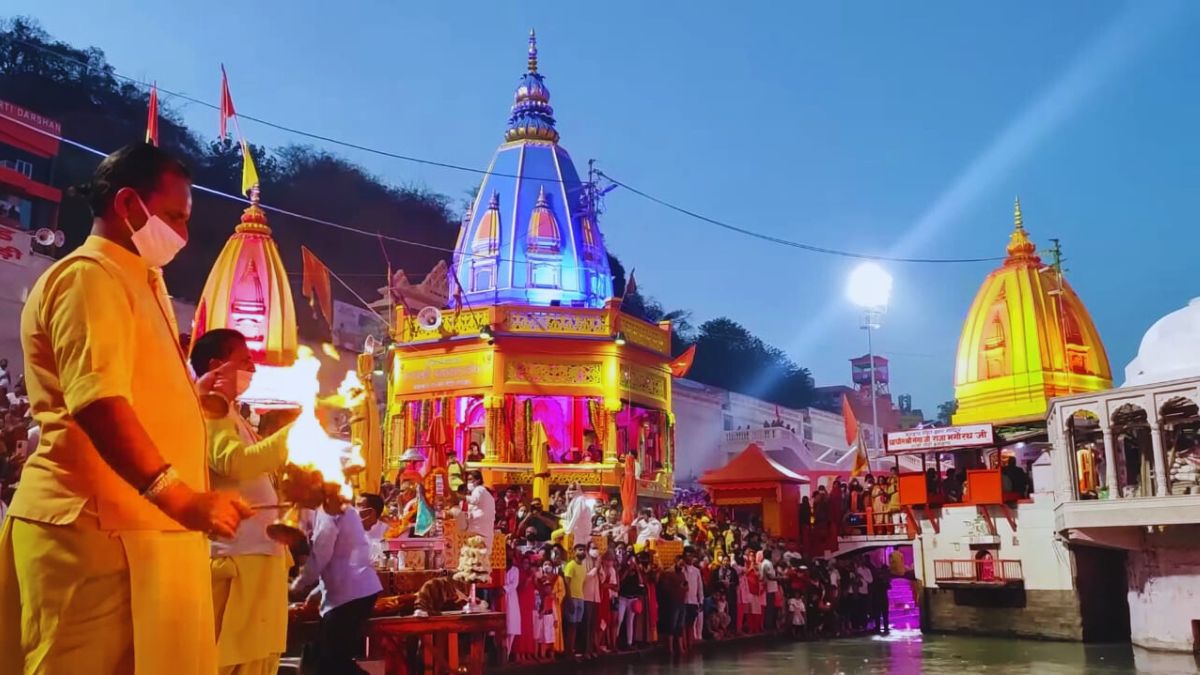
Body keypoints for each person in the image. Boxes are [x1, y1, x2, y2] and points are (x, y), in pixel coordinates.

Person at [0, 143, 251, 675]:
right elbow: (99, 402)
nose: (182, 235)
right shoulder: (90, 275)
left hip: (142, 535)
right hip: (92, 533)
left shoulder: (141, 281)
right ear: (129, 205)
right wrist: (180, 498)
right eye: (174, 217)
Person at [192, 329, 294, 675]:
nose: (253, 368)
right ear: (216, 367)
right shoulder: (209, 410)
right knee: (232, 659)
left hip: (258, 556)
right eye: (245, 360)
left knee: (258, 657)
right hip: (237, 556)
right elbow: (234, 463)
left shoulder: (232, 415)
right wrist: (296, 435)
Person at [291, 490, 383, 675]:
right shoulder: (337, 508)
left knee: (332, 661)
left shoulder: (328, 510)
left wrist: (298, 585)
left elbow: (322, 553)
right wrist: (315, 593)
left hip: (350, 595)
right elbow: (340, 558)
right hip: (352, 592)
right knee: (328, 659)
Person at [656, 555, 688, 655]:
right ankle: (670, 648)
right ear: (676, 561)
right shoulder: (668, 573)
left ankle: (680, 647)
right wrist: (678, 587)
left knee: (680, 625)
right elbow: (664, 589)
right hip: (672, 602)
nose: (682, 565)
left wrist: (685, 588)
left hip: (681, 601)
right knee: (671, 625)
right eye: (681, 563)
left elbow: (686, 586)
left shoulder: (682, 574)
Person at [562, 543, 588, 659]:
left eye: (583, 550)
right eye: (580, 549)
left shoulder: (583, 566)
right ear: (575, 551)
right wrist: (569, 599)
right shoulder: (570, 565)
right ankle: (568, 651)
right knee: (571, 625)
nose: (582, 552)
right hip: (572, 598)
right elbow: (566, 583)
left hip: (580, 597)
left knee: (576, 625)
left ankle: (571, 649)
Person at [681, 545, 704, 652]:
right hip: (683, 601)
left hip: (693, 602)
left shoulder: (696, 571)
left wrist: (701, 601)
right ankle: (684, 645)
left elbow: (700, 588)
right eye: (688, 555)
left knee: (690, 625)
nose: (690, 558)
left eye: (691, 555)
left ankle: (690, 645)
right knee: (683, 625)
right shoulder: (681, 570)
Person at [504, 554, 523, 658]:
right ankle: (502, 653)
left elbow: (514, 584)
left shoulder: (515, 570)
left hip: (511, 598)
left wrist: (504, 589)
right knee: (500, 627)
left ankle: (507, 653)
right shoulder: (499, 568)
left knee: (512, 626)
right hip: (500, 598)